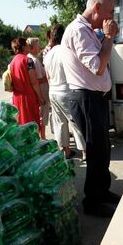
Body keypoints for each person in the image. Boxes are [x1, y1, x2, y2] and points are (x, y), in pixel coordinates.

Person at [61, 0, 120, 217]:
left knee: (102, 148)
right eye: (109, 11)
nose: (111, 17)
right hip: (86, 98)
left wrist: (106, 37)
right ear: (96, 8)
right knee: (95, 150)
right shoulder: (78, 31)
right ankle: (93, 202)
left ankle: (102, 192)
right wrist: (109, 38)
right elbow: (98, 66)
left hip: (94, 97)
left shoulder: (86, 30)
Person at [43, 24, 87, 160]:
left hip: (53, 91)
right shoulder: (66, 51)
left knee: (59, 123)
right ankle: (85, 151)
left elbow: (48, 76)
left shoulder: (48, 54)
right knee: (76, 122)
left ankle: (66, 151)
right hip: (66, 91)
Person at [9, 37, 44, 131]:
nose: (28, 46)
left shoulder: (12, 62)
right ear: (23, 47)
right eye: (26, 44)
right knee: (32, 125)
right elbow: (34, 81)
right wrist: (40, 97)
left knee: (22, 126)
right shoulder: (28, 60)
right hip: (28, 97)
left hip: (17, 98)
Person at [27, 37, 49, 139]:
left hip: (38, 92)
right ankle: (43, 138)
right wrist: (49, 76)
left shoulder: (31, 58)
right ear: (31, 48)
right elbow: (38, 80)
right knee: (42, 118)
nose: (39, 47)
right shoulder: (34, 60)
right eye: (37, 45)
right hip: (41, 91)